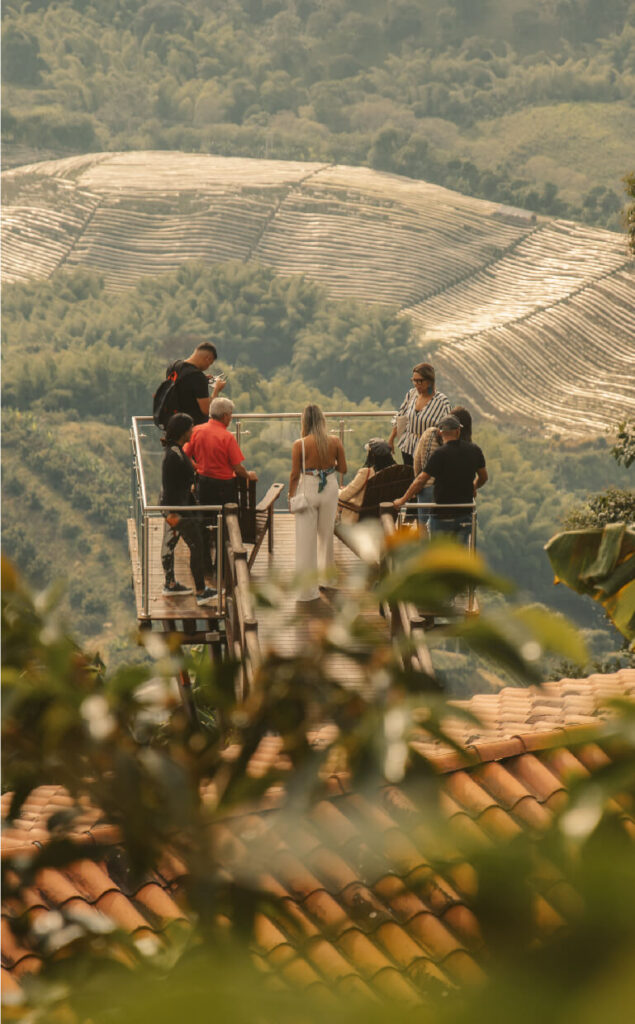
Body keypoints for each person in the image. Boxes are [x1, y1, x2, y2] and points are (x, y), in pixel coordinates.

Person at [394, 414, 488, 545]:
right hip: (464, 513)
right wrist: (474, 486)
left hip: (441, 514)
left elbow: (421, 480)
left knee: (439, 554)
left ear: (440, 432)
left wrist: (402, 500)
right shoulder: (474, 450)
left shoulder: (439, 454)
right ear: (458, 431)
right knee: (460, 555)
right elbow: (484, 477)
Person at [289, 404, 347, 602]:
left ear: (304, 421)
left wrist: (291, 496)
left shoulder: (300, 444)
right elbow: (344, 469)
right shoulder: (335, 441)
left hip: (308, 488)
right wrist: (328, 467)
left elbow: (295, 474)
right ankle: (327, 579)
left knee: (306, 541)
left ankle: (307, 591)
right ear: (323, 420)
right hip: (330, 487)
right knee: (326, 535)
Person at [159, 413, 217, 606]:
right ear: (183, 432)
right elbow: (173, 487)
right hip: (177, 510)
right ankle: (200, 591)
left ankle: (170, 584)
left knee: (169, 545)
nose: (192, 431)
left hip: (172, 509)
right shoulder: (174, 456)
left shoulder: (174, 451)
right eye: (190, 428)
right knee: (197, 545)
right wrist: (181, 513)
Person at [412, 405, 473, 527]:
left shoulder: (429, 433)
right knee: (447, 528)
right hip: (451, 494)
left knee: (423, 525)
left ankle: (424, 546)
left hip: (426, 488)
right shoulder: (466, 447)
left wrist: (418, 483)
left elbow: (417, 462)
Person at [388, 362, 450, 467]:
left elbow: (448, 429)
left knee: (425, 481)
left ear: (430, 381)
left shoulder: (441, 401)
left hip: (428, 450)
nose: (416, 384)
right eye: (414, 380)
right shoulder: (411, 394)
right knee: (410, 479)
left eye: (420, 381)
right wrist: (391, 439)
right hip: (408, 446)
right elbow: (401, 418)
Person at [167, 341, 226, 426]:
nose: (208, 367)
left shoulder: (174, 366)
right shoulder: (197, 377)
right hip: (191, 430)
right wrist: (217, 389)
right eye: (210, 363)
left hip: (173, 425)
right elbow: (207, 410)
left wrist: (201, 380)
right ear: (208, 358)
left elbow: (183, 387)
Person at [338, 438, 395, 524]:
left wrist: (339, 492)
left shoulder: (366, 473)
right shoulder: (394, 473)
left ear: (372, 455)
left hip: (361, 516)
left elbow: (344, 496)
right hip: (383, 517)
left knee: (336, 495)